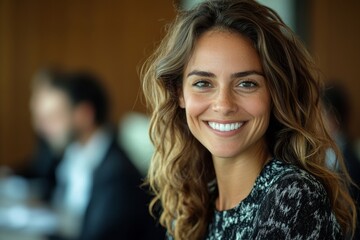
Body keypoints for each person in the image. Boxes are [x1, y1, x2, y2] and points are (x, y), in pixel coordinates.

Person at [141, 0, 356, 239]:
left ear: (274, 93)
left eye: (246, 83)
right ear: (179, 93)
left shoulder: (292, 196)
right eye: (203, 83)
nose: (223, 105)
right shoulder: (193, 200)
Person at [49, 71, 163, 240]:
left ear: (84, 115)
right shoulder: (77, 154)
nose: (48, 126)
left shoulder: (116, 174)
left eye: (57, 116)